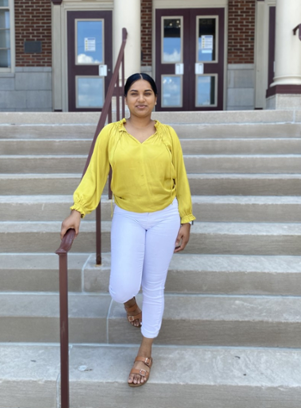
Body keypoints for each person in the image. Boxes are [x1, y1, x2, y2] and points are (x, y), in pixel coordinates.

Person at [60, 73, 195, 387]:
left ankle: (145, 352)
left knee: (154, 286)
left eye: (148, 93)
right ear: (125, 99)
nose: (141, 99)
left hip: (165, 216)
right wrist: (77, 211)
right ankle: (129, 304)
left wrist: (186, 218)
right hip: (128, 215)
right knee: (121, 287)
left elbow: (181, 178)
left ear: (156, 99)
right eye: (134, 93)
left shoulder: (168, 135)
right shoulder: (111, 133)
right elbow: (95, 175)